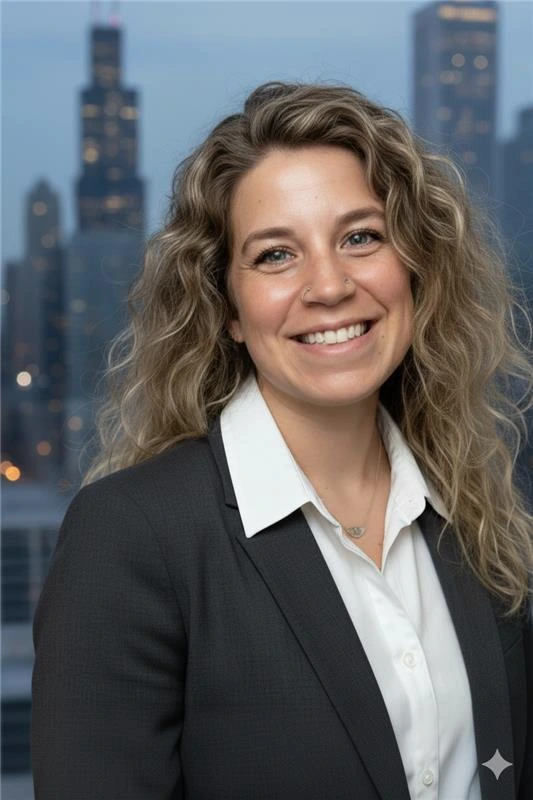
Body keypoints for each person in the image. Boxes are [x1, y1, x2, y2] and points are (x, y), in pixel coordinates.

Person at [32, 82, 532, 800]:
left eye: (360, 237)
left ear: (414, 269)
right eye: (274, 255)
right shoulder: (132, 537)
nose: (328, 286)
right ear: (227, 307)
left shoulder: (480, 507)